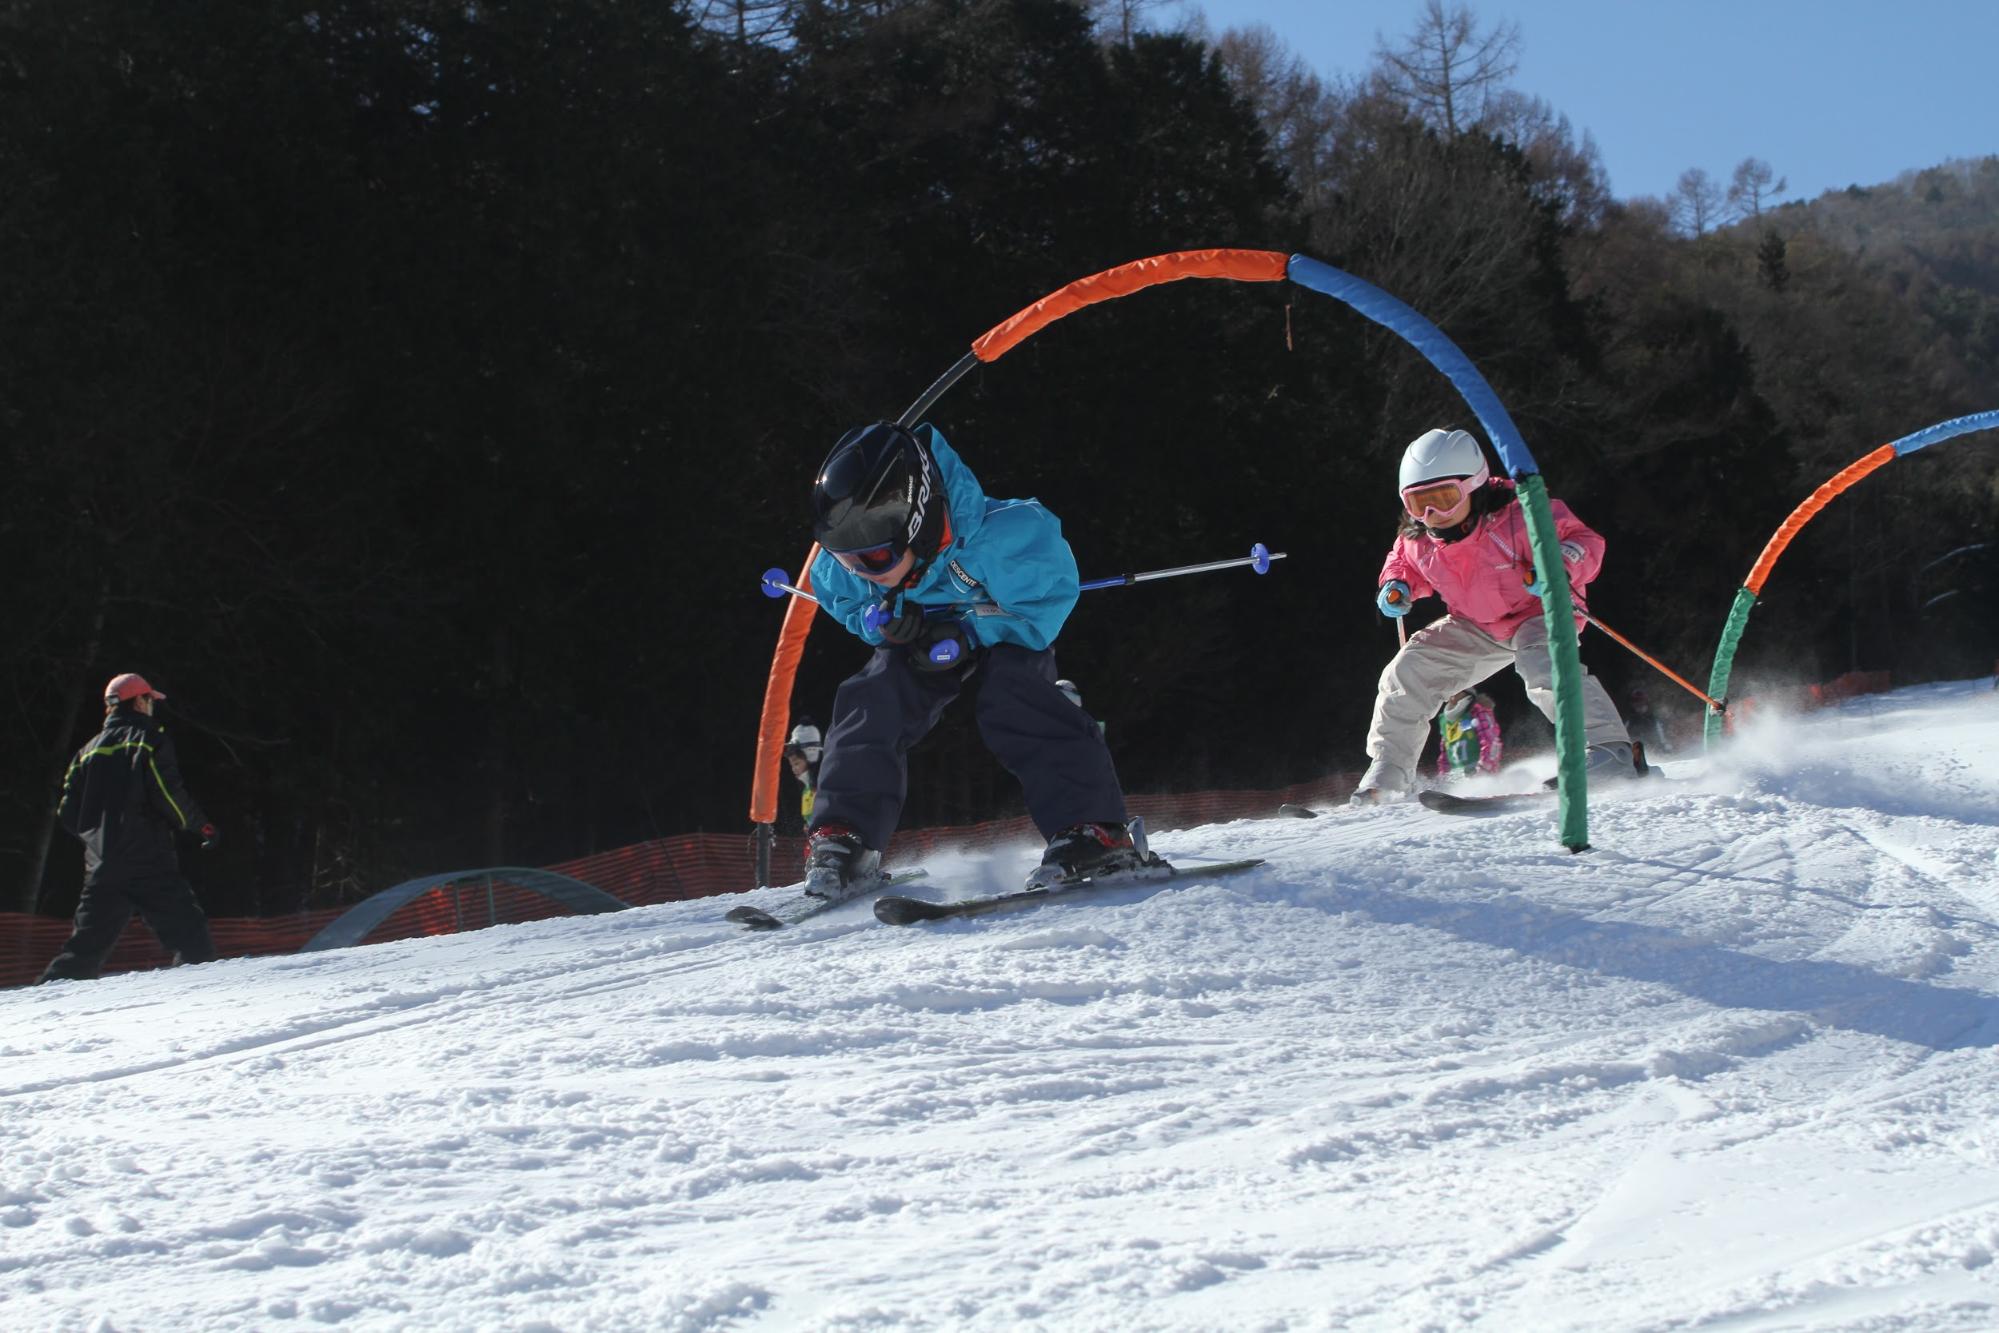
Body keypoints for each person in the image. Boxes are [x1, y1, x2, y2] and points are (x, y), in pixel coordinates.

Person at [801, 420, 1135, 897]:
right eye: (846, 562)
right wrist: (883, 622)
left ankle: (1094, 829)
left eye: (872, 561)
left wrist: (965, 632)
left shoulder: (1008, 537)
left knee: (1015, 696)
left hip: (1007, 637)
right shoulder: (854, 567)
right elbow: (845, 599)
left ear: (914, 524)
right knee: (872, 696)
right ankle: (844, 838)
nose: (861, 574)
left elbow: (1044, 608)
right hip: (920, 645)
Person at [1354, 427, 1636, 803]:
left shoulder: (1520, 514)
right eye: (1418, 503)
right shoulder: (1418, 538)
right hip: (1475, 624)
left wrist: (1557, 565)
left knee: (1543, 668)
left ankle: (1608, 750)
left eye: (1444, 498)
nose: (1432, 514)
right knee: (1407, 670)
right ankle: (1387, 775)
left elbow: (1584, 542)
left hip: (1538, 611)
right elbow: (1402, 563)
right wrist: (1397, 585)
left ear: (1474, 485)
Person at [39, 673, 220, 983]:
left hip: (102, 866)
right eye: (150, 700)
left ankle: (40, 1008)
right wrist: (200, 826)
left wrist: (98, 840)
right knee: (192, 940)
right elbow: (167, 794)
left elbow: (68, 812)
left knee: (82, 952)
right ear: (139, 701)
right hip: (148, 859)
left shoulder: (86, 752)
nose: (152, 707)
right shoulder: (149, 739)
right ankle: (198, 1007)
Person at [1435, 689, 1502, 780]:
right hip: (1457, 773)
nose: (1451, 694)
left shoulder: (1477, 712)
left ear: (1466, 694)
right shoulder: (1445, 720)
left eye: (1457, 691)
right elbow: (1446, 750)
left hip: (1477, 769)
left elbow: (1490, 741)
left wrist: (1485, 768)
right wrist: (1443, 774)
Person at [784, 718, 822, 824]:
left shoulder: (822, 786)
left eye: (796, 763)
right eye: (791, 765)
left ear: (809, 757)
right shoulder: (808, 787)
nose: (793, 769)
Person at [1624, 686, 1673, 756]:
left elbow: (1661, 736)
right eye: (1637, 705)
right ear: (1633, 705)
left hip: (1653, 748)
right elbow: (1625, 736)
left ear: (1646, 704)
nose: (1640, 707)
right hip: (1636, 749)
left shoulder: (1653, 719)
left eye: (1642, 704)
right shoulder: (1631, 720)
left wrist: (1664, 746)